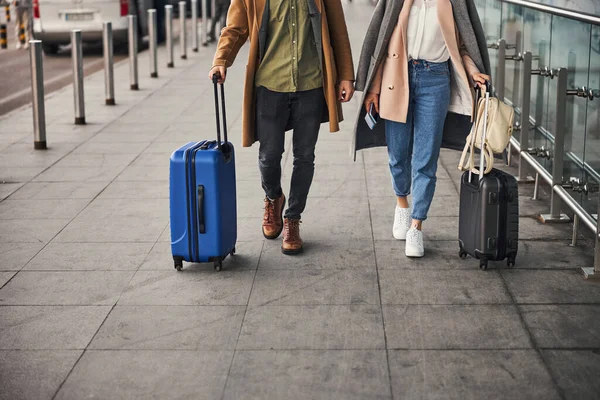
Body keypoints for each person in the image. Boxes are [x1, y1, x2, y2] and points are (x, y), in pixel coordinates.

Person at [209, 0, 355, 255]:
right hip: (270, 83)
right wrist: (221, 59)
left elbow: (337, 29)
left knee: (305, 156)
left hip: (311, 82)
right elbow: (235, 27)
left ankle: (292, 218)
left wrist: (345, 75)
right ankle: (274, 197)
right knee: (269, 156)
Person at [352, 0, 491, 257]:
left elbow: (462, 43)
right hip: (398, 74)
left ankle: (417, 224)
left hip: (435, 80)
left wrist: (473, 72)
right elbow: (382, 39)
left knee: (426, 157)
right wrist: (373, 88)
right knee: (398, 153)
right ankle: (402, 204)